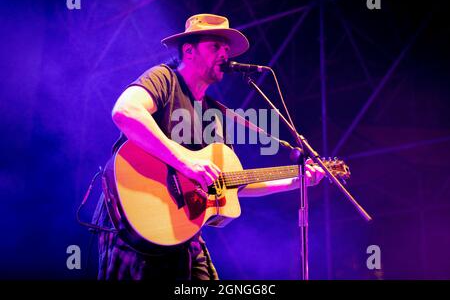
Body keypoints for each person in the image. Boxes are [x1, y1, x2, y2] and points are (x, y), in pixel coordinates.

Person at [92, 14, 325, 280]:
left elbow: (232, 184)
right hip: (135, 224)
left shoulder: (214, 115)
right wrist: (184, 161)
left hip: (183, 232)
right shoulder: (165, 79)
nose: (225, 55)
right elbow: (125, 111)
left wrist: (296, 181)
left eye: (227, 49)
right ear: (189, 51)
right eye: (215, 46)